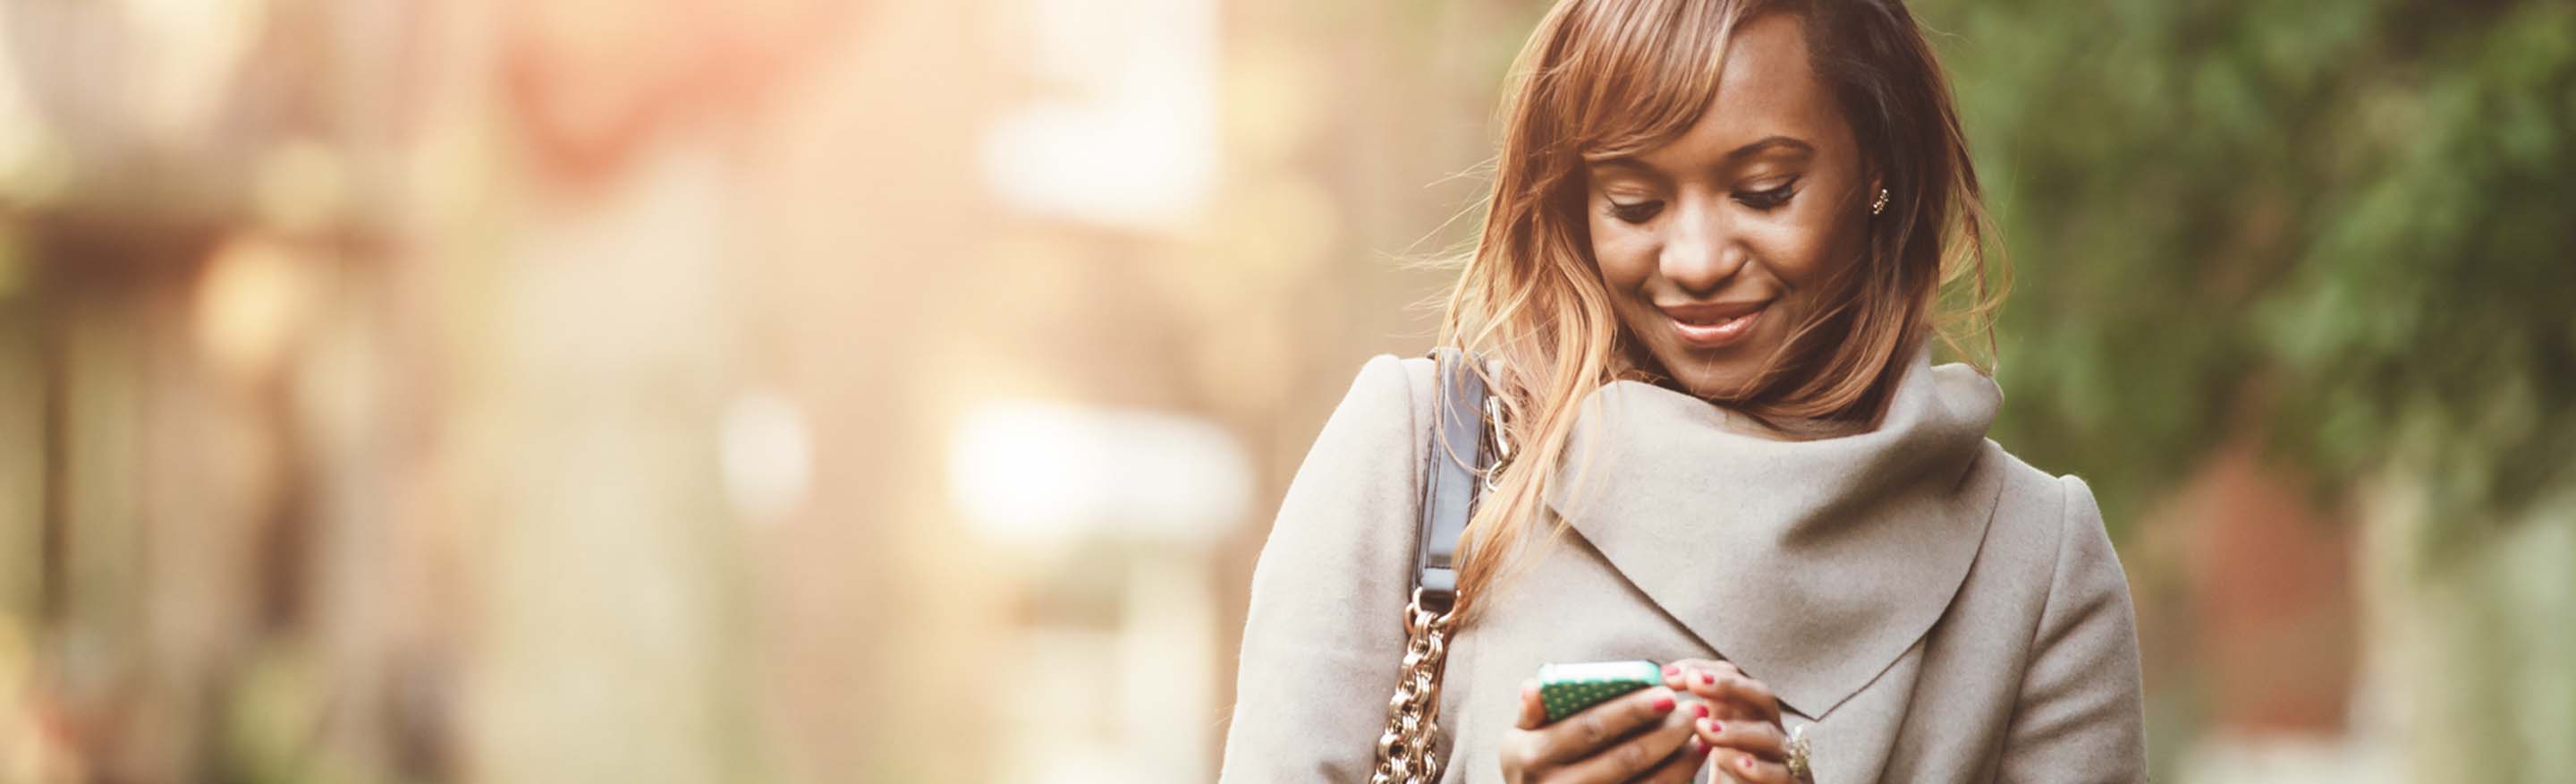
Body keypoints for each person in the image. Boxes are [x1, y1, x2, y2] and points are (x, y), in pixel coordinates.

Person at [1217, 0, 2146, 782]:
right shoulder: (1431, 454)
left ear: (1879, 169)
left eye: (1765, 190)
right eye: (1635, 204)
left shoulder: (2034, 559)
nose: (1696, 262)